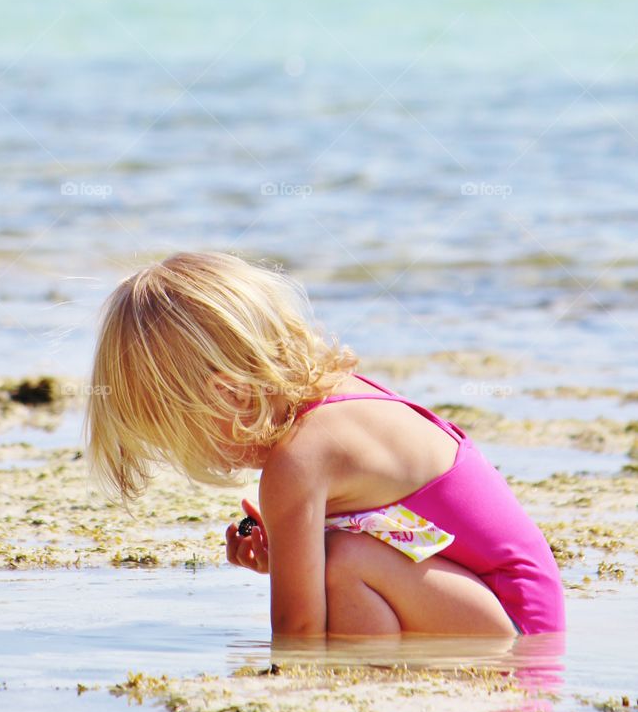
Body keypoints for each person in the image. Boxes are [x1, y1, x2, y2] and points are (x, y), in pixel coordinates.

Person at [85, 251, 566, 638]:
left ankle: (371, 680)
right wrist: (291, 563)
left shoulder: (299, 460)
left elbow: (297, 629)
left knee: (342, 564)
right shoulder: (338, 401)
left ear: (226, 394)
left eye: (181, 438)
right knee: (339, 559)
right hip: (511, 608)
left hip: (516, 631)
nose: (192, 458)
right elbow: (416, 536)